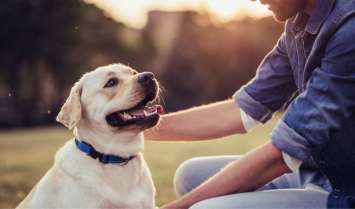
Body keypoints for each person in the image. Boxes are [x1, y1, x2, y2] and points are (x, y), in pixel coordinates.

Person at [145, 0, 355, 208]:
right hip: (314, 171)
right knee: (189, 175)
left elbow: (284, 153)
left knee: (205, 208)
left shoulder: (349, 27)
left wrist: (178, 207)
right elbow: (243, 109)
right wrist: (142, 127)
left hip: (345, 190)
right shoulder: (298, 24)